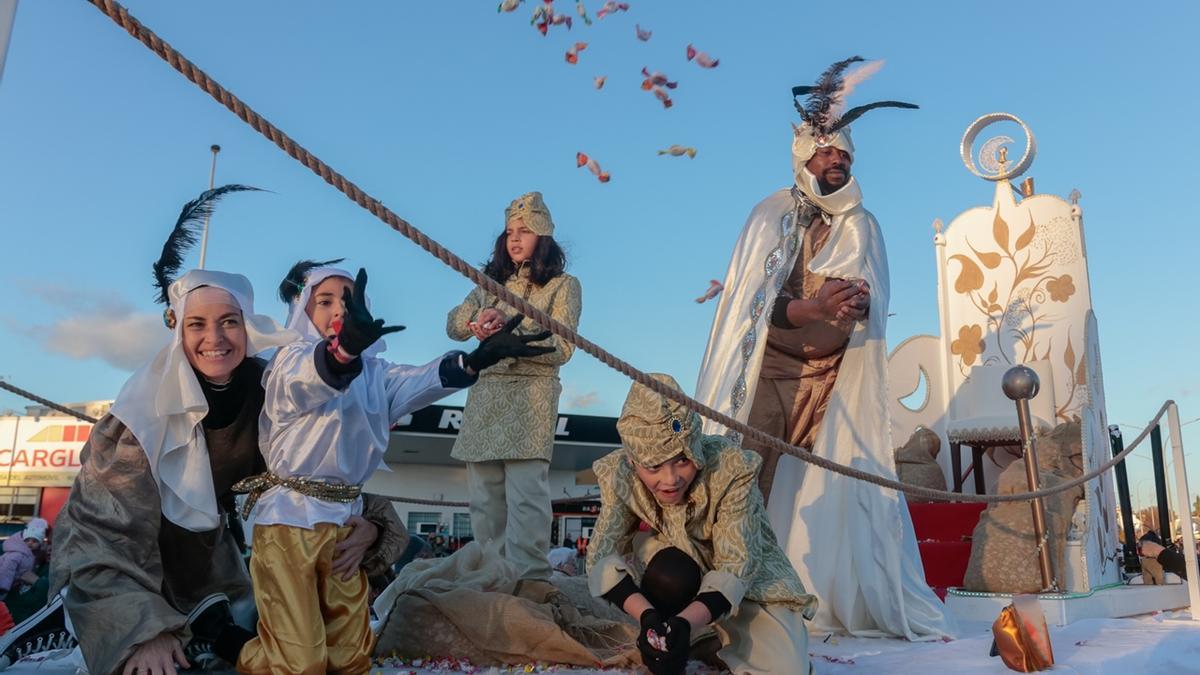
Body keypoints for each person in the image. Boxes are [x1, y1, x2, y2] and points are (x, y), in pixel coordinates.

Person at [21, 187, 405, 675]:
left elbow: (318, 472)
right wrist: (141, 629)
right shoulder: (141, 418)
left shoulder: (270, 389)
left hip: (210, 571)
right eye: (197, 325)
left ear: (247, 327)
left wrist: (372, 527)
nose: (215, 338)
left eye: (229, 322)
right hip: (126, 574)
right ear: (178, 331)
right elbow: (101, 532)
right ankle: (64, 625)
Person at [694, 57, 952, 640]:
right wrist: (813, 308)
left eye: (845, 154)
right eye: (827, 151)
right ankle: (726, 601)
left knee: (837, 491)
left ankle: (815, 593)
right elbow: (753, 305)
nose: (838, 160)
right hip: (771, 373)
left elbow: (872, 297)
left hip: (836, 378)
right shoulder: (772, 215)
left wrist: (856, 306)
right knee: (745, 481)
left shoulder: (864, 224)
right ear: (803, 156)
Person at [235, 260, 550, 675]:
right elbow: (311, 380)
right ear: (302, 311)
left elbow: (422, 380)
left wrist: (477, 360)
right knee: (301, 662)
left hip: (346, 523)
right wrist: (343, 351)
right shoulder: (290, 362)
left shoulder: (375, 374)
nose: (339, 310)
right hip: (289, 524)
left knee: (350, 657)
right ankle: (232, 649)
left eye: (348, 301)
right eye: (324, 301)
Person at [588, 374, 815, 675]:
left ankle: (702, 634)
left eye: (682, 460)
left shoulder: (732, 467)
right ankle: (680, 640)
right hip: (679, 570)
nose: (670, 479)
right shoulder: (619, 474)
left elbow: (736, 565)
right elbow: (601, 556)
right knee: (670, 572)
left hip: (750, 580)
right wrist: (647, 617)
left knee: (788, 670)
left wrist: (685, 622)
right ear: (632, 460)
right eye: (653, 466)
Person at [446, 191, 583, 581]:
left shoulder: (564, 285)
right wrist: (480, 317)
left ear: (543, 235)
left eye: (525, 230)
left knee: (527, 497)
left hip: (531, 394)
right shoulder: (490, 284)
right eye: (509, 232)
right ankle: (491, 577)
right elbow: (453, 326)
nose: (515, 239)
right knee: (484, 500)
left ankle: (531, 583)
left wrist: (512, 330)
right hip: (486, 393)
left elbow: (563, 347)